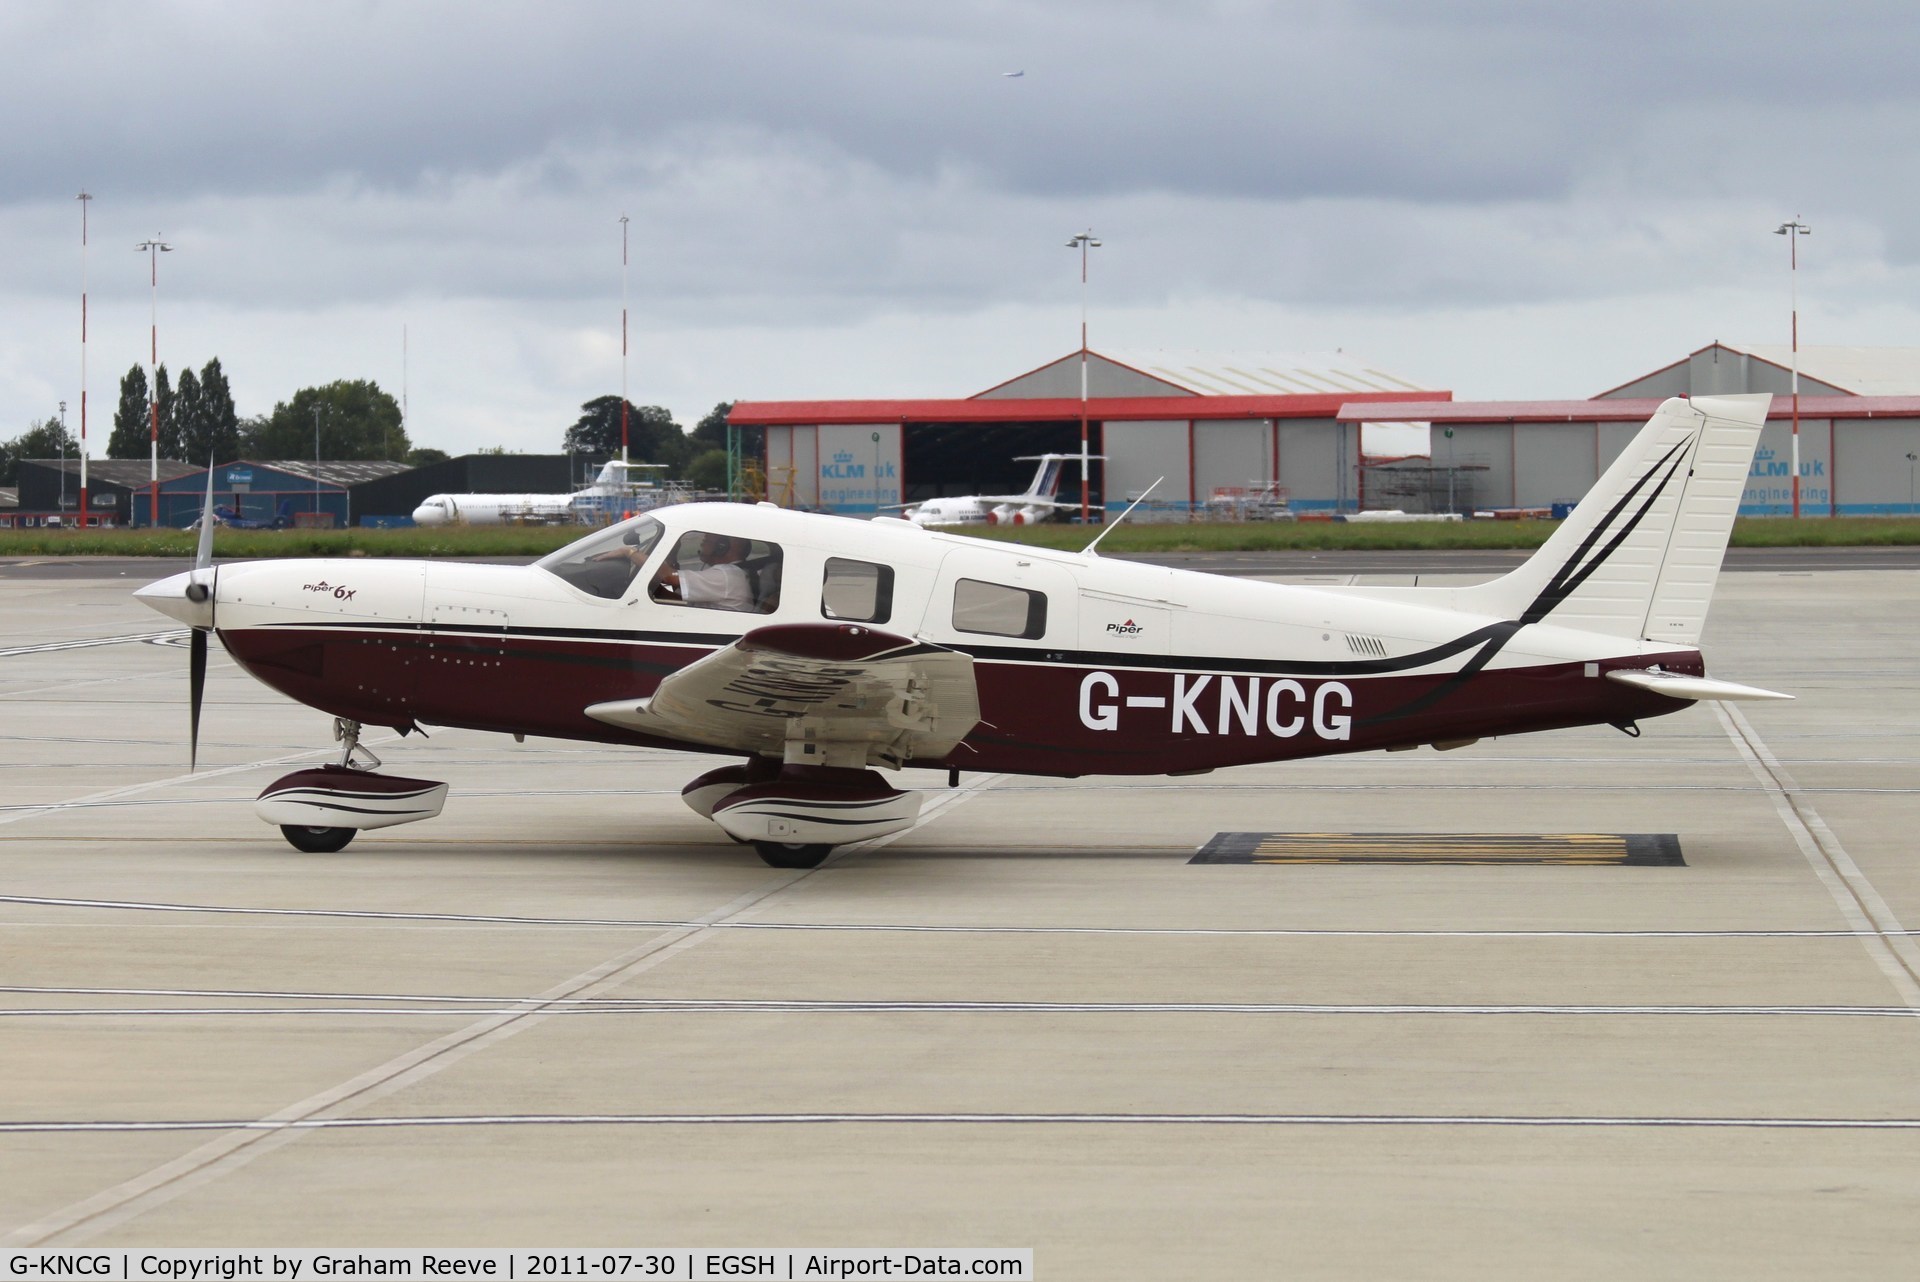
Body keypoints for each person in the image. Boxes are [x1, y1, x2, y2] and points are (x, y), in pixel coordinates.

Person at [652, 531, 754, 610]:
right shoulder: (734, 572)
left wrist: (635, 552)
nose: (701, 545)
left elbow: (669, 577)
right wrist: (672, 558)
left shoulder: (726, 575)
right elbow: (674, 591)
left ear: (721, 547)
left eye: (705, 542)